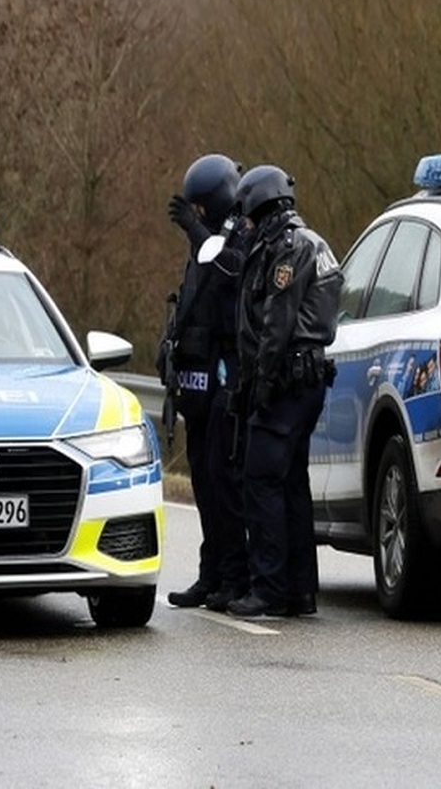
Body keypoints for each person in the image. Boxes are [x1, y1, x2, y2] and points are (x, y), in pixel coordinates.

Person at [227, 165, 342, 618]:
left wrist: (260, 385)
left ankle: (270, 588)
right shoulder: (310, 242)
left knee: (262, 482)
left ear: (261, 204)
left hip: (287, 382)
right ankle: (299, 589)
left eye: (249, 213)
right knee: (292, 483)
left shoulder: (289, 248)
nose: (246, 223)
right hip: (303, 382)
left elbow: (278, 323)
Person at [160, 153, 251, 610]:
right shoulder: (201, 246)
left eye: (199, 210)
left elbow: (233, 274)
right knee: (203, 480)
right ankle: (210, 572)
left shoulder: (239, 233)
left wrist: (200, 235)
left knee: (222, 480)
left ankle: (235, 576)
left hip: (225, 375)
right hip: (197, 379)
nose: (193, 218)